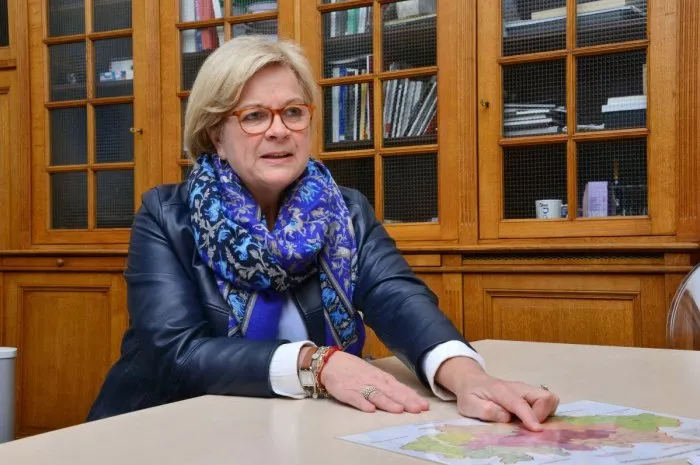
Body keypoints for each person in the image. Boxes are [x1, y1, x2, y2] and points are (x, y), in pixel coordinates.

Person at [87, 36, 559, 430]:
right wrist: (317, 364)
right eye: (254, 116)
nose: (279, 131)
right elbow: (178, 354)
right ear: (216, 136)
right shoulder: (166, 215)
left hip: (296, 431)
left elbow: (397, 297)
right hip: (165, 430)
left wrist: (467, 376)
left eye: (293, 112)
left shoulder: (345, 210)